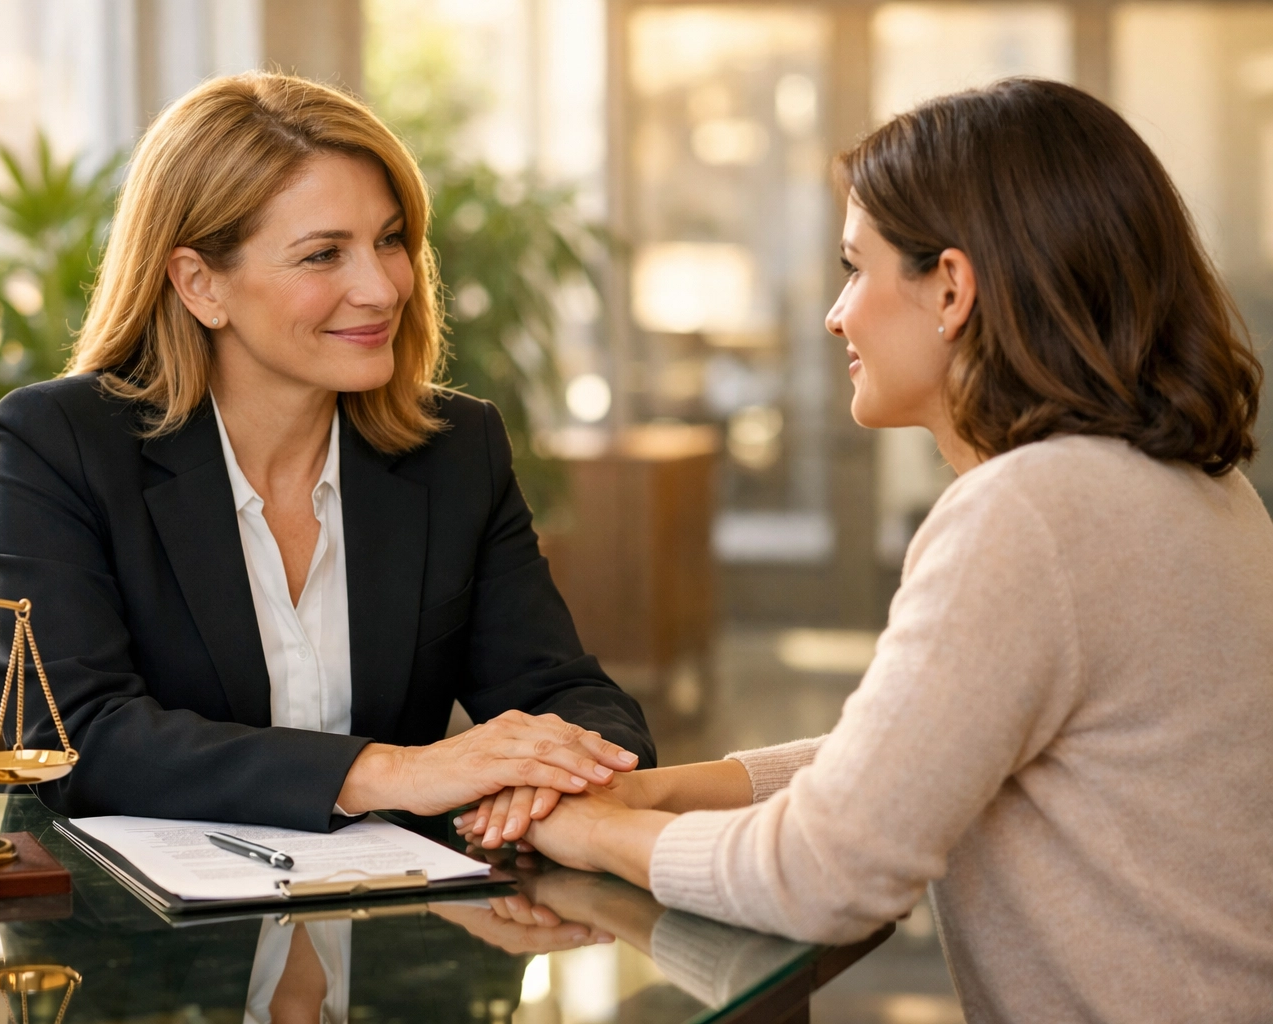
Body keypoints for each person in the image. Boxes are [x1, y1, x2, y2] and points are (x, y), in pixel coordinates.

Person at [469, 79, 1273, 1020]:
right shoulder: (1184, 485)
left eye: (856, 268)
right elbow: (922, 748)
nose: (835, 314)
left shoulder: (1031, 512)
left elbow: (821, 873)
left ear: (951, 288)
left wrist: (594, 831)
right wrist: (668, 790)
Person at [0, 71, 654, 835]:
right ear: (201, 284)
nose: (382, 288)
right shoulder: (59, 444)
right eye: (324, 254)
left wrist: (547, 774)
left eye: (390, 240)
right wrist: (392, 772)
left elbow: (570, 698)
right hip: (137, 938)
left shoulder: (457, 451)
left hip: (397, 930)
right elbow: (68, 736)